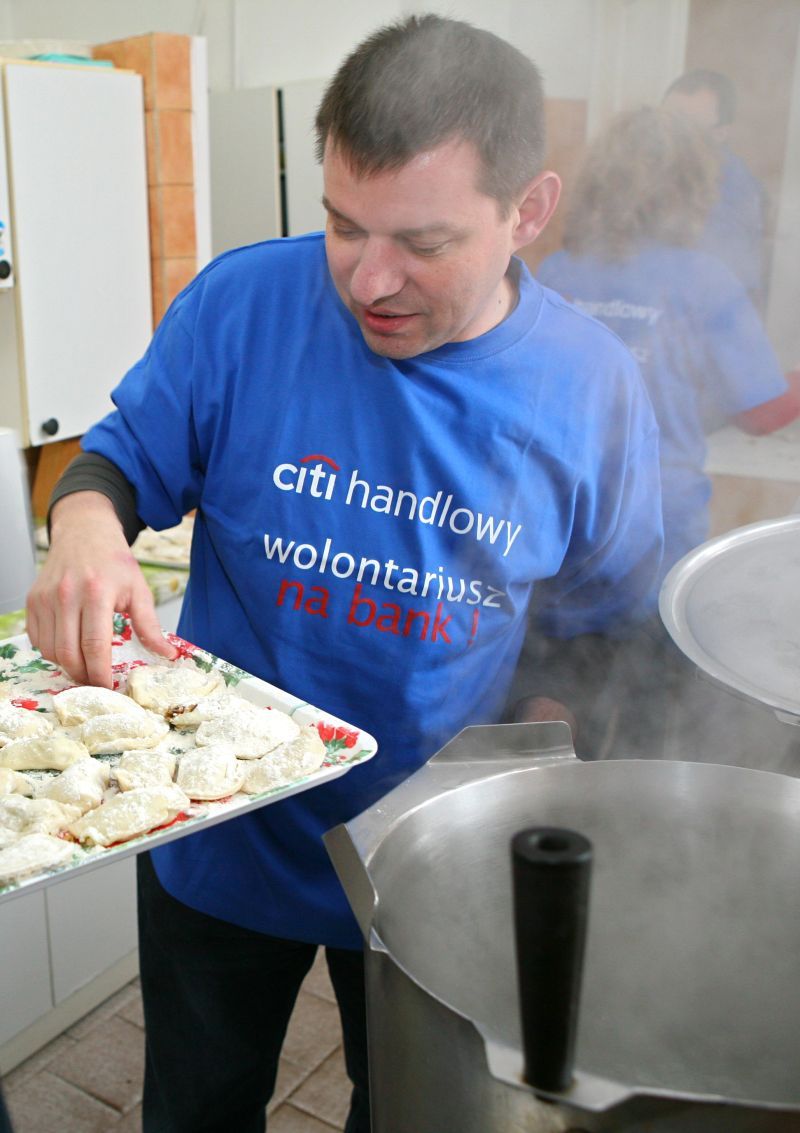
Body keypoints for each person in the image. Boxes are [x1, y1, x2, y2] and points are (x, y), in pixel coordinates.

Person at [26, 15, 664, 1132]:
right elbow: (115, 463)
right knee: (197, 1107)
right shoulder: (243, 306)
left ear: (526, 211)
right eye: (341, 224)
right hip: (217, 838)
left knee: (408, 1111)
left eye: (422, 240)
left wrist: (545, 750)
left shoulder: (589, 386)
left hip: (430, 864)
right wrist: (83, 523)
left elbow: (605, 624)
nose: (370, 280)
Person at [536, 106, 800, 758]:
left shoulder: (556, 275)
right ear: (692, 189)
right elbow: (762, 410)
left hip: (558, 548)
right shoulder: (704, 281)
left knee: (556, 730)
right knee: (647, 742)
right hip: (657, 551)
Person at [663, 68, 768, 308]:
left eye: (686, 125)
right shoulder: (650, 169)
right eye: (664, 120)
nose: (668, 134)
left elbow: (719, 279)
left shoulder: (734, 190)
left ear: (721, 133)